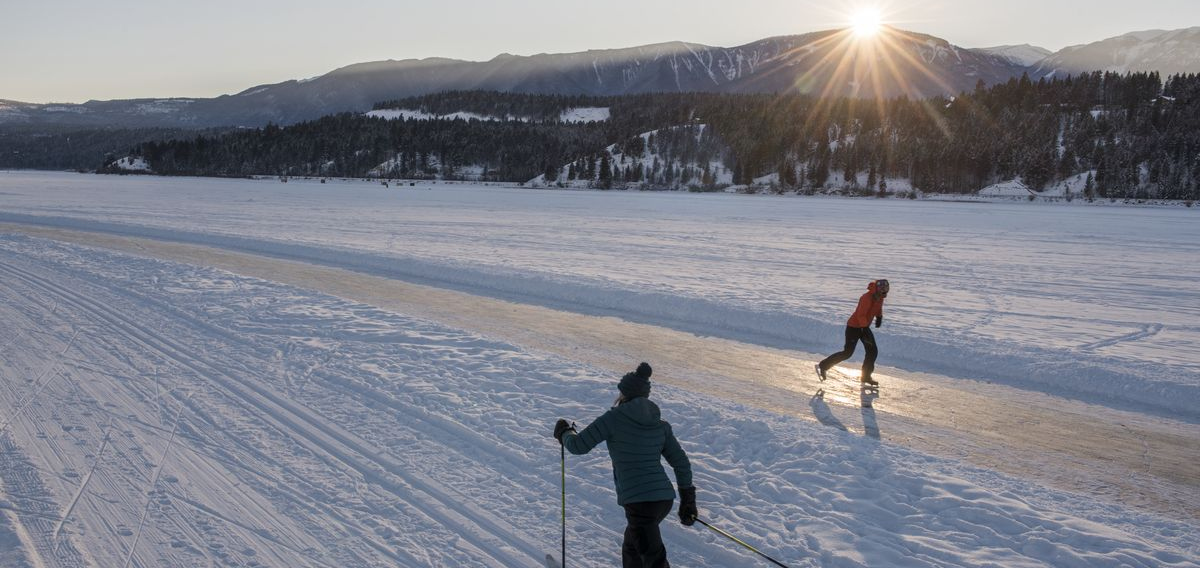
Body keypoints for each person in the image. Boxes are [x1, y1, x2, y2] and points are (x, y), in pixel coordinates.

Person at [553, 362, 696, 568]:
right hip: (662, 501)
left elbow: (578, 446)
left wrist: (565, 433)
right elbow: (681, 463)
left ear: (624, 394)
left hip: (640, 503)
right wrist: (688, 500)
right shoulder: (660, 424)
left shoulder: (613, 418)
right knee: (633, 549)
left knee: (653, 560)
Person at [816, 279, 889, 386]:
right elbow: (860, 314)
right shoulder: (866, 298)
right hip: (854, 327)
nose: (884, 291)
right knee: (847, 353)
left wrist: (879, 317)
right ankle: (823, 365)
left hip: (864, 327)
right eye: (882, 288)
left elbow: (878, 308)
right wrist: (864, 328)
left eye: (886, 288)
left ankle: (866, 377)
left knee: (872, 351)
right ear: (877, 288)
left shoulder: (880, 297)